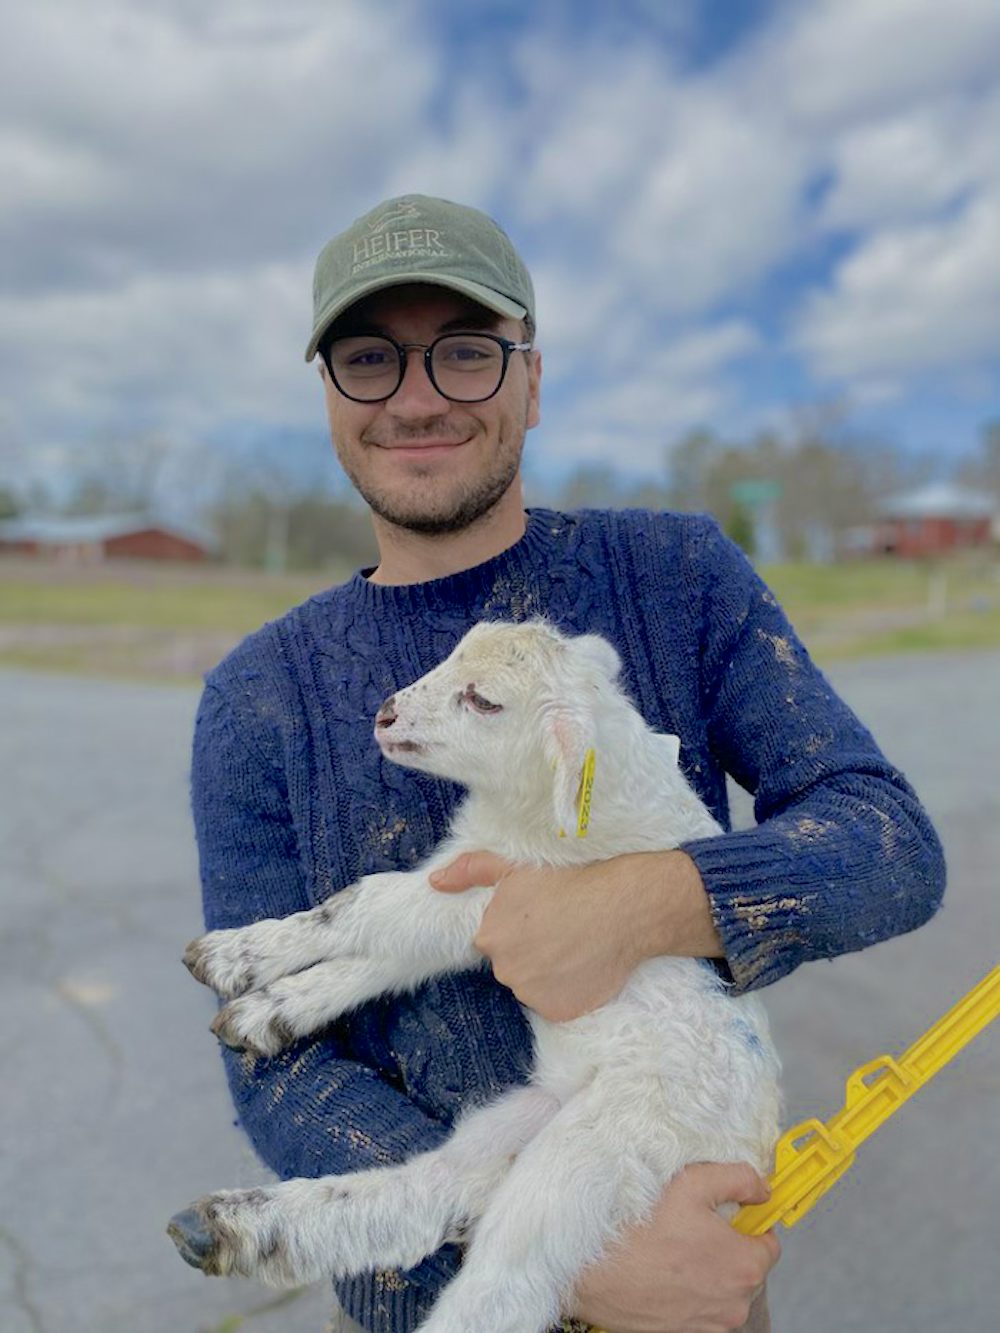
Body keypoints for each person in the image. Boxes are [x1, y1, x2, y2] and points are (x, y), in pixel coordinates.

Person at [190, 194, 945, 1333]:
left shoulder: (674, 575)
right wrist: (558, 1249)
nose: (419, 395)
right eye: (368, 359)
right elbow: (274, 1057)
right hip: (433, 1293)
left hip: (685, 1288)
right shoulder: (257, 695)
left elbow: (884, 844)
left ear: (530, 380)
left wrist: (643, 902)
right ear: (332, 400)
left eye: (464, 351)